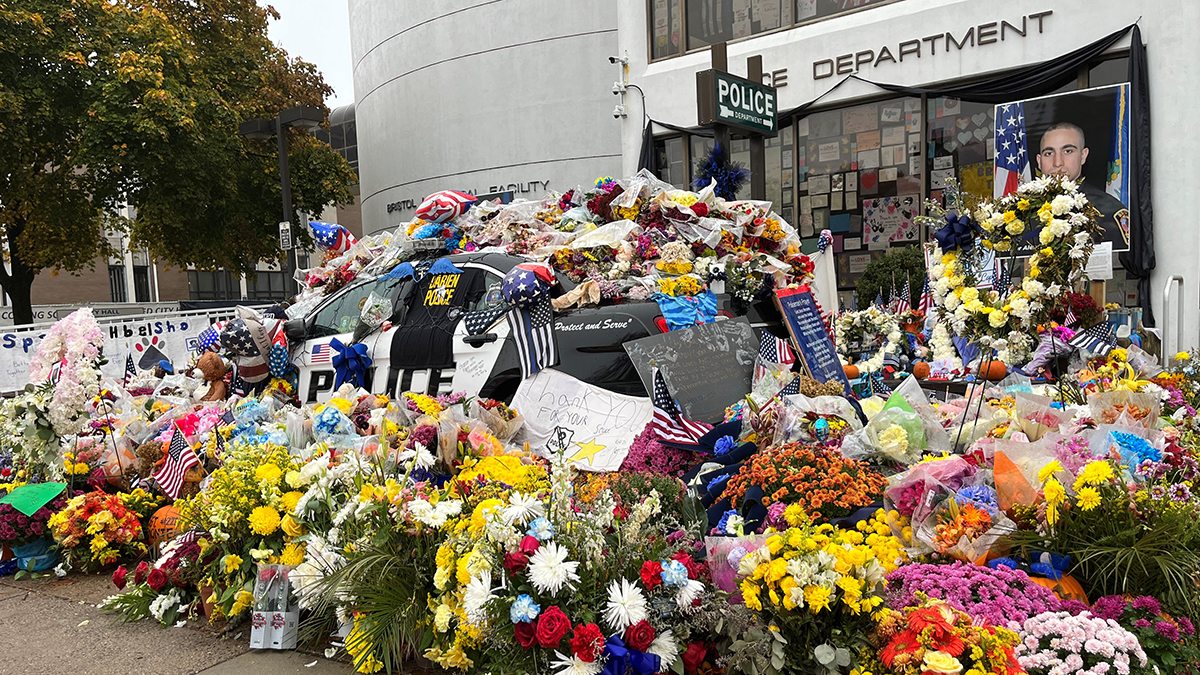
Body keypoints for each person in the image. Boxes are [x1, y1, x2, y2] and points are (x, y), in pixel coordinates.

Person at [1035, 122, 1130, 250]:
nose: (1057, 162)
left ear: (1083, 156)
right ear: (1039, 161)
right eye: (1049, 153)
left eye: (1068, 151)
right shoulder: (1022, 213)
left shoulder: (1107, 212)